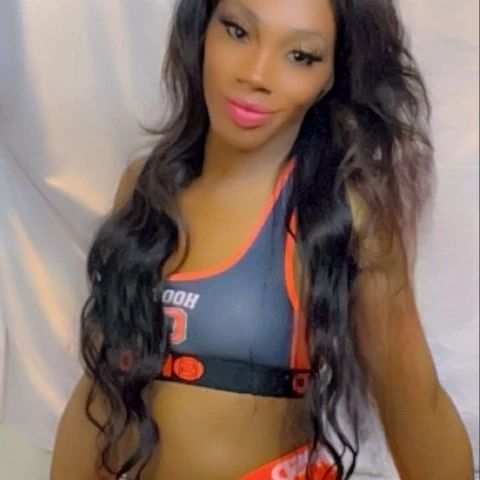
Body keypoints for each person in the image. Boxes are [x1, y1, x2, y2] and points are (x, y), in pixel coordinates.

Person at [50, 0, 474, 479]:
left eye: (301, 56)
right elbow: (99, 390)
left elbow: (415, 405)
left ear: (330, 76)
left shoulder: (342, 217)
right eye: (237, 31)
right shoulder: (145, 187)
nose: (256, 74)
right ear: (202, 28)